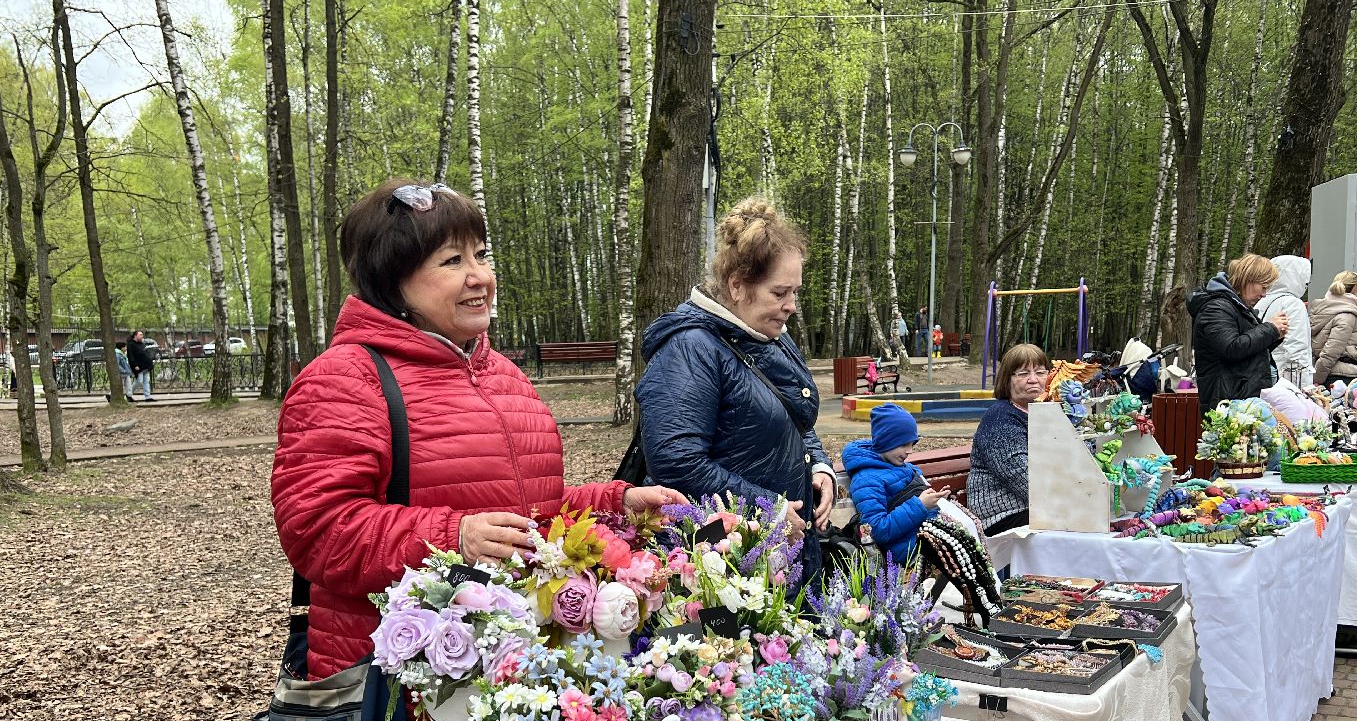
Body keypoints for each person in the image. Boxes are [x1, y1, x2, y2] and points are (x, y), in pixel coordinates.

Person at [271, 179, 684, 680]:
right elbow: (318, 531)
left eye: (481, 255)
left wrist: (614, 502)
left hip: (513, 678)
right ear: (392, 280)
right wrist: (453, 536)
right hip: (399, 687)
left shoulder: (503, 376)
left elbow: (527, 512)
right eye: (452, 261)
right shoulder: (345, 378)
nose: (479, 277)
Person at [636, 197, 837, 584]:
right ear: (738, 286)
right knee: (729, 642)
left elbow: (794, 413)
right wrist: (767, 509)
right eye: (780, 293)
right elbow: (675, 461)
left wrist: (819, 465)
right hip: (719, 560)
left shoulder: (767, 335)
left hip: (778, 547)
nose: (791, 306)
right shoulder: (690, 348)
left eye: (794, 292)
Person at [841, 402, 944, 565]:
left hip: (928, 539)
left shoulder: (907, 468)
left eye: (912, 444)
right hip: (907, 554)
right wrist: (920, 505)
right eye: (904, 444)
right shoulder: (866, 480)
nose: (909, 451)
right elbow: (876, 530)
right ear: (886, 441)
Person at [966, 343, 1051, 535]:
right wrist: (1067, 501)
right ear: (1007, 379)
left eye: (1040, 372)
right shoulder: (1000, 417)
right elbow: (1020, 476)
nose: (1033, 379)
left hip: (1034, 508)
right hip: (1003, 514)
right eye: (1022, 374)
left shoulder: (1044, 412)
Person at [1187, 253, 1287, 415]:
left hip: (1238, 400)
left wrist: (1274, 336)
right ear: (1249, 279)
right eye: (1263, 287)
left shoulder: (1235, 306)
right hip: (1228, 404)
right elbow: (1231, 348)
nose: (1264, 294)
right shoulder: (1217, 308)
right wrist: (1269, 329)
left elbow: (1246, 348)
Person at [1255, 255, 1312, 388]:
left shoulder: (1260, 302)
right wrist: (1301, 390)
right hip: (1285, 380)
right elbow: (1296, 350)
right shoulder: (1293, 304)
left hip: (1262, 376)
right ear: (1296, 277)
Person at [1310, 270, 1357, 387]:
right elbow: (1330, 352)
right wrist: (1318, 379)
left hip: (1329, 373)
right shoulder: (1347, 315)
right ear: (1356, 288)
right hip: (1340, 377)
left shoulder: (1324, 309)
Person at [126, 329, 154, 401]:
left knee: (146, 380)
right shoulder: (131, 344)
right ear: (135, 336)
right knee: (139, 381)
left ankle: (147, 396)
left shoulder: (141, 344)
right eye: (140, 335)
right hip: (138, 366)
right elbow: (131, 356)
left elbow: (145, 353)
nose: (142, 336)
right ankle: (129, 394)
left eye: (142, 335)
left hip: (146, 365)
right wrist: (135, 365)